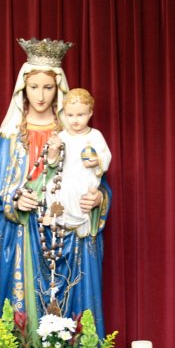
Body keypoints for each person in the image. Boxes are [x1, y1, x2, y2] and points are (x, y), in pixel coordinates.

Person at [0, 38, 111, 338]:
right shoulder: (10, 136)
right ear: (22, 88)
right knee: (27, 307)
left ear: (58, 89)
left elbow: (98, 181)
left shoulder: (76, 132)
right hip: (26, 235)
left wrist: (98, 199)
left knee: (74, 300)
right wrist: (14, 199)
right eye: (34, 87)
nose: (40, 96)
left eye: (48, 87)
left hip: (71, 232)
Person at [47, 88, 111, 238]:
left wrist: (97, 161)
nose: (75, 120)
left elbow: (106, 155)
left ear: (90, 113)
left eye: (80, 115)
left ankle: (76, 220)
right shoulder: (62, 136)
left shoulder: (95, 135)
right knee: (51, 186)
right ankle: (55, 216)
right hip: (66, 174)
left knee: (74, 188)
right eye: (70, 115)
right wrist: (53, 151)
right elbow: (52, 163)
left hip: (85, 176)